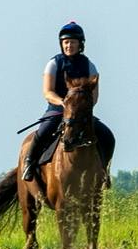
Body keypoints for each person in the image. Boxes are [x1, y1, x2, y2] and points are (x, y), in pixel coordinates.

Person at [22, 21, 116, 181]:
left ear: (80, 44)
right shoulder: (53, 64)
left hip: (81, 114)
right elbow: (48, 92)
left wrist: (81, 109)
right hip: (57, 110)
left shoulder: (89, 66)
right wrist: (64, 103)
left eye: (72, 42)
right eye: (66, 42)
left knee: (107, 135)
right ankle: (29, 163)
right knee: (43, 131)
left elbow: (94, 96)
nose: (69, 45)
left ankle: (104, 171)